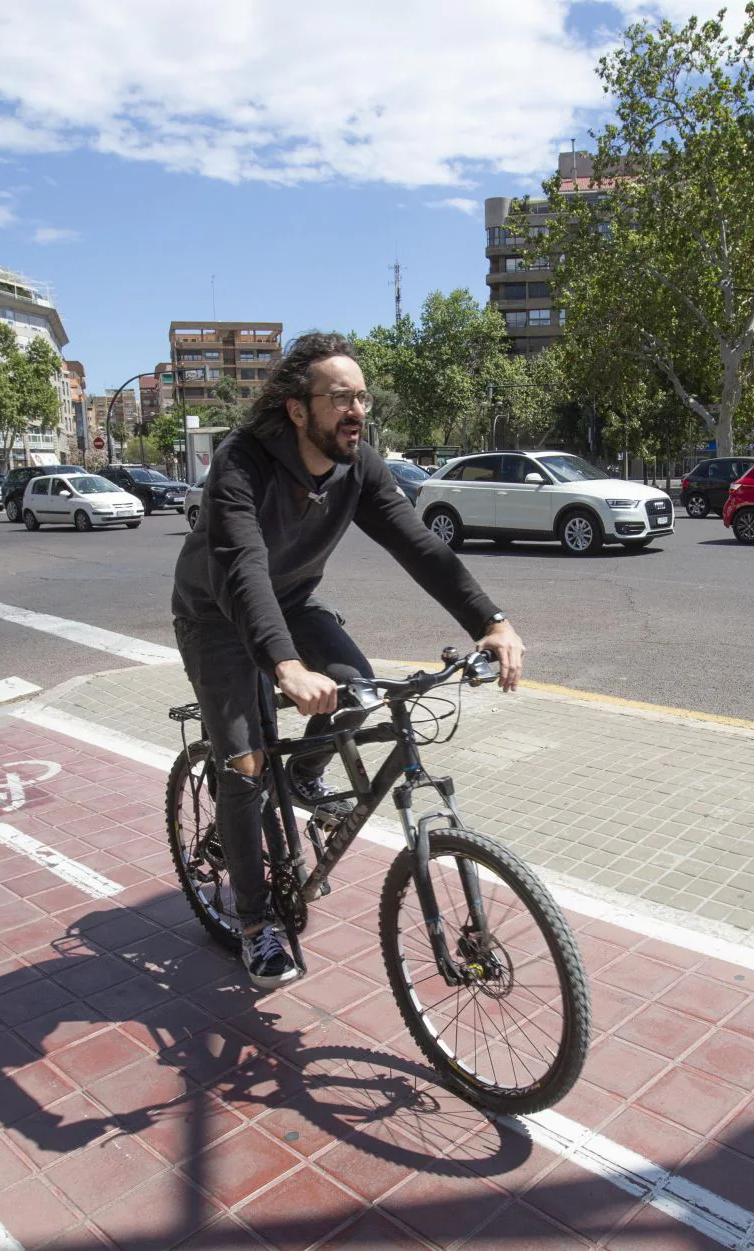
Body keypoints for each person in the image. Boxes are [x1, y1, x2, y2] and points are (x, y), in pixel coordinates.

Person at [172, 332, 523, 989]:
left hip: (294, 602)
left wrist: (491, 621)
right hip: (216, 615)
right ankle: (256, 924)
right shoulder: (242, 463)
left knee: (360, 692)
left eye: (362, 396)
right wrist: (286, 666)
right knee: (244, 764)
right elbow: (244, 571)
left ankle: (302, 776)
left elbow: (419, 545)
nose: (357, 409)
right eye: (340, 398)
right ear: (298, 409)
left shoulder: (358, 465)